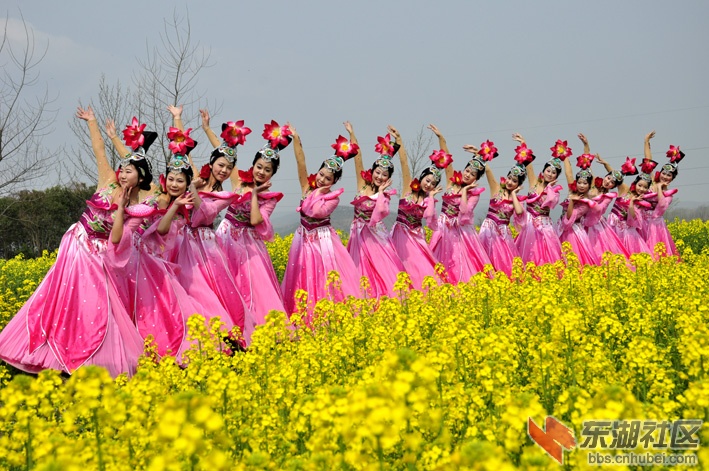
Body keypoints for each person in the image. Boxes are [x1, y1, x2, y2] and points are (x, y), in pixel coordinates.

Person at [0, 107, 144, 378]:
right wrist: (92, 122)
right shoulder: (107, 181)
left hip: (98, 256)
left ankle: (89, 360)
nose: (124, 175)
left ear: (141, 178)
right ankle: (47, 355)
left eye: (131, 172)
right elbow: (99, 151)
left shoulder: (135, 205)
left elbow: (118, 238)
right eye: (123, 169)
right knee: (58, 298)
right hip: (76, 245)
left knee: (93, 305)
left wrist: (123, 208)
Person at [207, 114, 291, 345]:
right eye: (259, 167)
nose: (261, 172)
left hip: (249, 244)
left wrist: (254, 194)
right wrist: (207, 129)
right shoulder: (238, 180)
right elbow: (222, 153)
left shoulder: (271, 198)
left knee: (252, 290)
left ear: (272, 174)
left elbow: (255, 220)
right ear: (253, 166)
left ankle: (253, 334)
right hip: (225, 235)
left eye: (267, 170)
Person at [281, 124, 361, 323]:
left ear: (334, 181)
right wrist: (296, 139)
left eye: (328, 178)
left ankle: (325, 317)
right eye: (321, 174)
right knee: (301, 276)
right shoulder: (306, 188)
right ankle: (300, 316)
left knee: (322, 277)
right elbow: (301, 162)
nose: (322, 179)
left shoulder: (333, 198)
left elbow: (315, 211)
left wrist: (319, 192)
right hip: (302, 238)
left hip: (321, 241)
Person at [345, 122, 405, 298]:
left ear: (388, 178)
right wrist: (352, 133)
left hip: (375, 236)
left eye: (384, 175)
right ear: (372, 172)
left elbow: (381, 213)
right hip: (357, 234)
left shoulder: (385, 194)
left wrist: (379, 193)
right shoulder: (362, 185)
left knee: (381, 269)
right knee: (360, 269)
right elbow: (357, 158)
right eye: (377, 172)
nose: (380, 176)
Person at [428, 124, 491, 283]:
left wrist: (464, 192)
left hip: (456, 229)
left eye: (472, 174)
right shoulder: (451, 181)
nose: (468, 175)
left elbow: (464, 212)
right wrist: (441, 138)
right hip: (441, 225)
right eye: (467, 171)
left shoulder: (474, 194)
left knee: (456, 262)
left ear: (476, 179)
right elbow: (447, 160)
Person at [390, 126, 447, 288]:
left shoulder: (429, 199)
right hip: (400, 233)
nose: (429, 185)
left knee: (421, 266)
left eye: (433, 184)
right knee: (401, 266)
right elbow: (404, 163)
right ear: (421, 178)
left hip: (416, 236)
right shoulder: (407, 189)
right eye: (427, 181)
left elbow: (431, 223)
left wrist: (431, 197)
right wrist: (398, 141)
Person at [465, 140, 525, 277]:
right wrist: (478, 153)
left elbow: (519, 211)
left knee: (504, 263)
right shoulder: (496, 190)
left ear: (519, 185)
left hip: (503, 233)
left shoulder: (515, 199)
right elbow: (487, 170)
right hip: (488, 229)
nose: (510, 182)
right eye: (509, 178)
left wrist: (514, 194)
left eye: (514, 181)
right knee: (485, 260)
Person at [511, 133, 564, 267]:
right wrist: (523, 143)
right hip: (528, 223)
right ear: (544, 171)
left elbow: (551, 203)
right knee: (527, 255)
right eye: (548, 171)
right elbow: (528, 164)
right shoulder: (533, 183)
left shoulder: (555, 190)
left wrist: (550, 189)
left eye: (553, 173)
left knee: (546, 255)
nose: (550, 174)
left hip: (544, 225)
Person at [580, 133, 632, 261]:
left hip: (596, 225)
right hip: (581, 220)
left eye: (612, 183)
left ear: (614, 186)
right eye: (608, 178)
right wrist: (586, 145)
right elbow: (586, 165)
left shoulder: (608, 196)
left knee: (598, 253)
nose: (608, 182)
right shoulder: (592, 184)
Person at [639, 131, 681, 257]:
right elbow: (648, 161)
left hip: (654, 225)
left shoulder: (668, 194)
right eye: (664, 173)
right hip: (640, 219)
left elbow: (661, 207)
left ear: (672, 179)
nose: (665, 176)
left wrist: (659, 188)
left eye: (669, 175)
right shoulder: (651, 181)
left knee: (655, 254)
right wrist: (646, 141)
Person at [558, 150, 599, 266]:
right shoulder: (573, 190)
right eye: (579, 182)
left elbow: (570, 217)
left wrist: (572, 200)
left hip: (573, 231)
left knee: (573, 259)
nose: (581, 185)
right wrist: (564, 155)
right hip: (561, 227)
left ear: (589, 185)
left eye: (585, 183)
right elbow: (568, 174)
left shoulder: (586, 202)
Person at [607, 161, 654, 257]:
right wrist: (605, 164)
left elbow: (632, 219)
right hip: (611, 224)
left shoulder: (641, 203)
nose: (641, 189)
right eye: (640, 185)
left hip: (624, 230)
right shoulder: (625, 190)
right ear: (635, 183)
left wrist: (632, 202)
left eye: (645, 187)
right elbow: (616, 178)